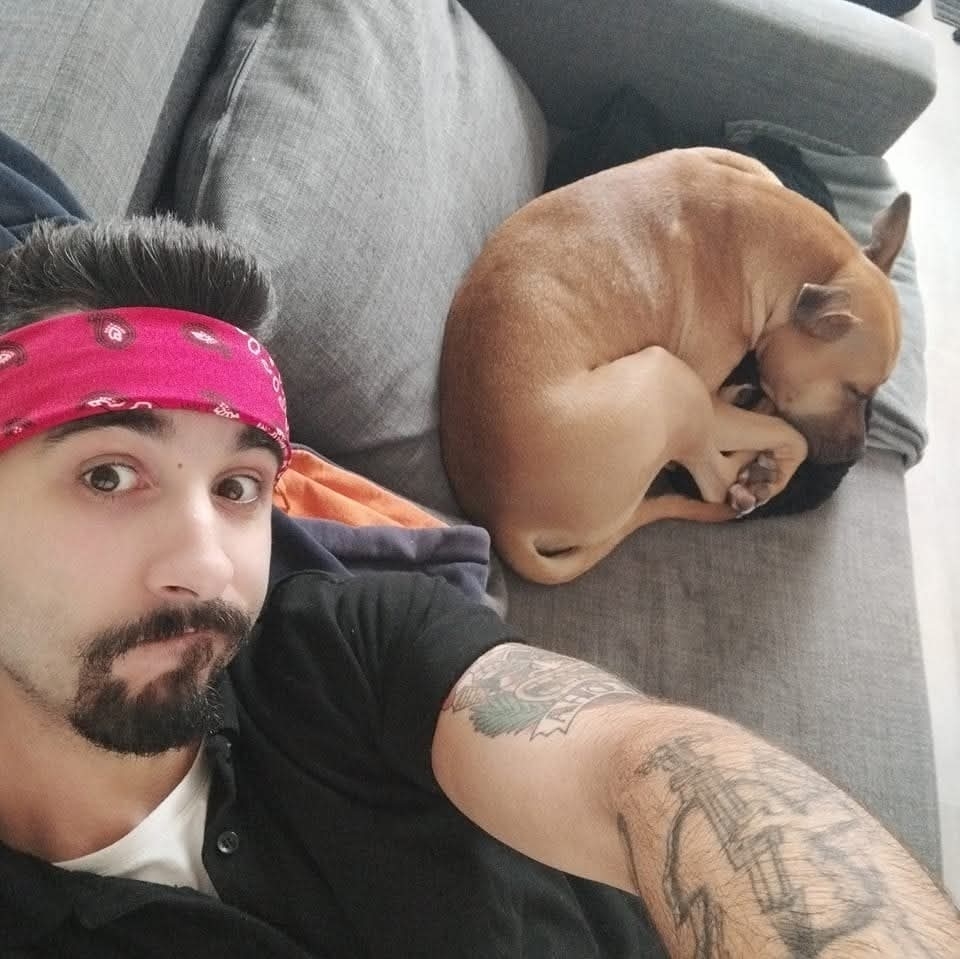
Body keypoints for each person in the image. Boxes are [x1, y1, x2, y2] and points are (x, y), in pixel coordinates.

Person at [0, 213, 957, 959]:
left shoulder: (344, 644)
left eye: (239, 487)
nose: (209, 565)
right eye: (108, 475)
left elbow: (643, 766)